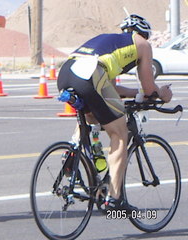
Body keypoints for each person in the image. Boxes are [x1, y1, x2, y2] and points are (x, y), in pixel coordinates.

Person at [57, 14, 172, 212]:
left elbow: (110, 89)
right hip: (91, 75)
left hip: (67, 72)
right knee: (119, 133)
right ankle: (115, 199)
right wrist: (162, 94)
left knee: (91, 116)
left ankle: (72, 153)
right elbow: (150, 89)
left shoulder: (111, 44)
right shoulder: (142, 44)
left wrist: (137, 93)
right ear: (143, 33)